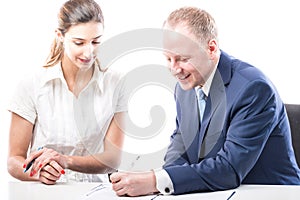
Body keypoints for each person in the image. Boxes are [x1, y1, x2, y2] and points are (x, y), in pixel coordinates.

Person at [110, 6, 300, 196]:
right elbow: (180, 147)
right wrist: (160, 180)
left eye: (182, 59)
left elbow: (229, 169)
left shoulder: (253, 89)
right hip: (216, 193)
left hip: (272, 193)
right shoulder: (185, 87)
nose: (174, 69)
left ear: (211, 48)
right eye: (168, 59)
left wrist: (154, 181)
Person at [7, 0, 126, 184]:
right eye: (79, 42)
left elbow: (112, 159)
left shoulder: (116, 83)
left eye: (96, 42)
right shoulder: (32, 84)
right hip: (44, 193)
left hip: (92, 192)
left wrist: (66, 161)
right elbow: (14, 160)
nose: (89, 53)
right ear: (60, 36)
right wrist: (38, 173)